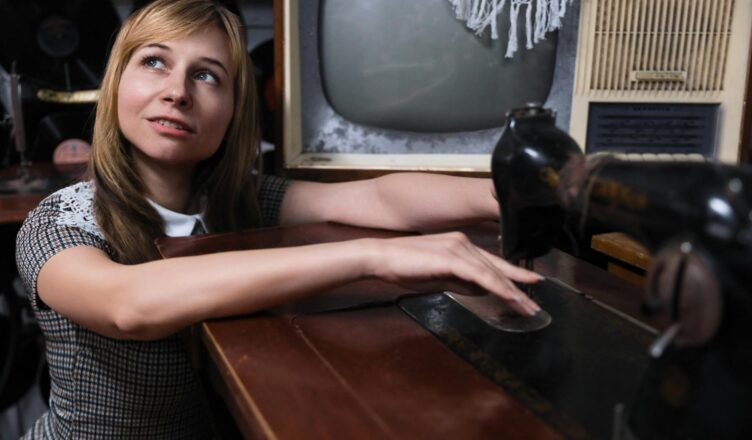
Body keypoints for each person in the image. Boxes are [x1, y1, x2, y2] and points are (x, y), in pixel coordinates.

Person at [15, 0, 543, 438]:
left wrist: (518, 191)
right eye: (154, 62)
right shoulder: (59, 224)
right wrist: (373, 255)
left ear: (231, 111)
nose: (177, 91)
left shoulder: (234, 200)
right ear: (115, 84)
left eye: (207, 75)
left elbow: (381, 200)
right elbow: (127, 305)